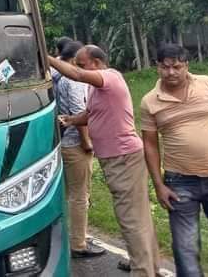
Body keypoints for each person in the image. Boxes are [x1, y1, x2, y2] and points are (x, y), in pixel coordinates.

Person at [51, 45, 160, 277]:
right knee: (138, 216)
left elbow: (76, 75)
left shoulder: (110, 77)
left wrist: (45, 57)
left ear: (97, 63)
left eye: (82, 64)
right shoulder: (95, 88)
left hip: (123, 158)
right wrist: (71, 120)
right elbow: (90, 114)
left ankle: (143, 271)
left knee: (130, 218)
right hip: (117, 158)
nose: (77, 68)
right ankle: (150, 267)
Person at [141, 43, 208, 277]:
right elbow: (150, 145)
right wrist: (158, 185)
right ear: (157, 67)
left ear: (186, 65)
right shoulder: (150, 101)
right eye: (165, 67)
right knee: (185, 247)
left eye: (177, 67)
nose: (171, 72)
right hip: (179, 182)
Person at [55, 40, 105, 259]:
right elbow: (78, 112)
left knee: (67, 194)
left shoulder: (57, 76)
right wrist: (86, 142)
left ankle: (71, 236)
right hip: (75, 143)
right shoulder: (74, 81)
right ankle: (78, 244)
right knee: (80, 196)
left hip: (62, 142)